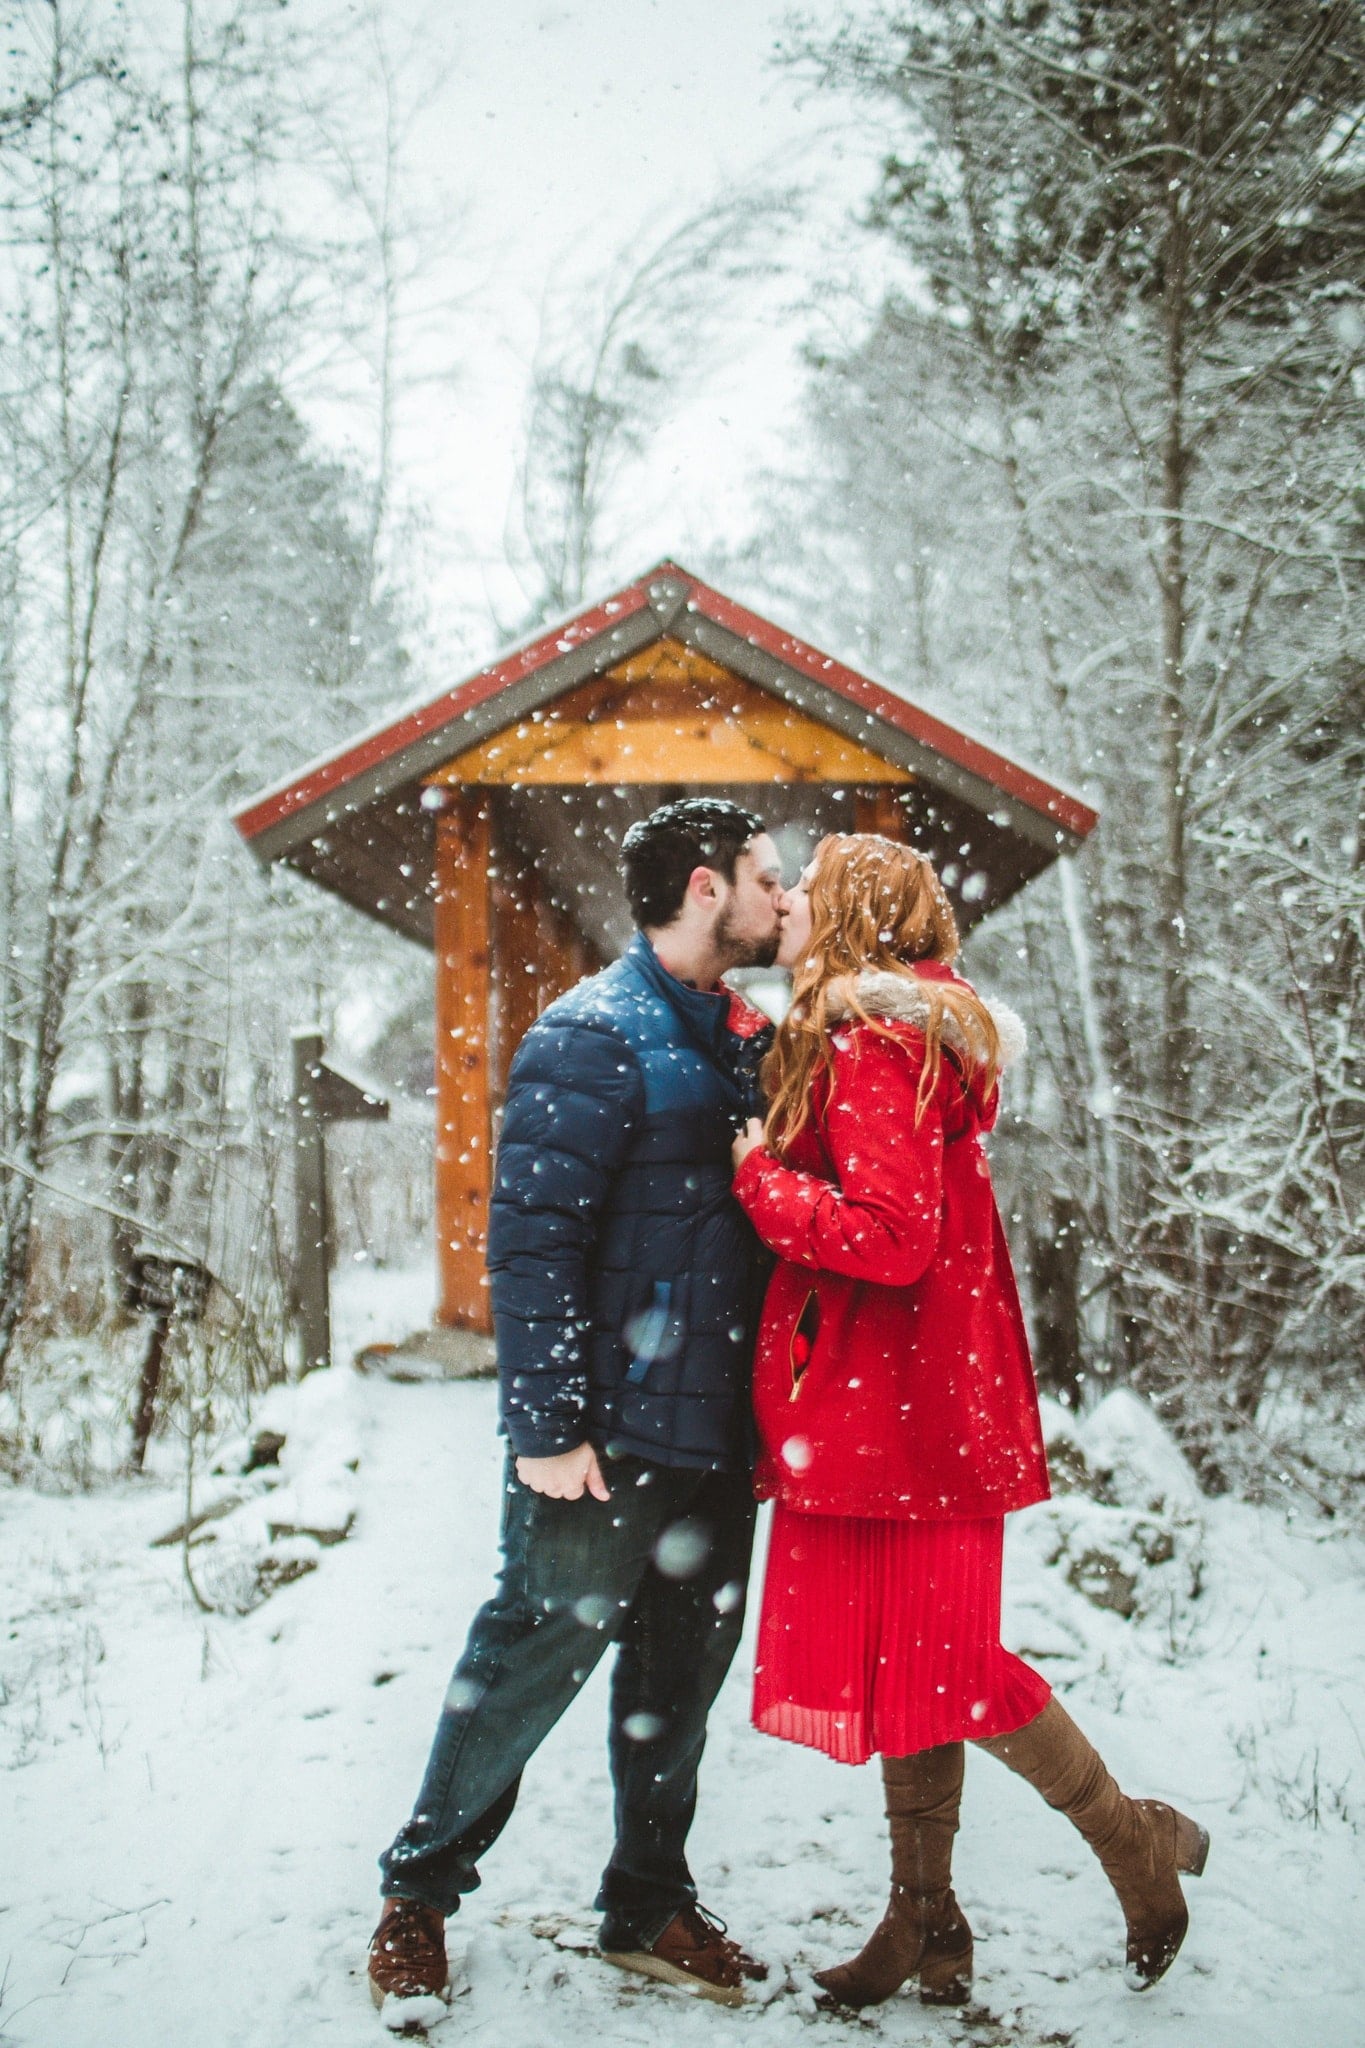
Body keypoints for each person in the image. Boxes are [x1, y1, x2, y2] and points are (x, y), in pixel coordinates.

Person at [730, 833, 1209, 2010]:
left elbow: (895, 1237)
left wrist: (762, 1180)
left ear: (852, 914)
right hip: (920, 1394)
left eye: (807, 889)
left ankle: (1132, 1838)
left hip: (901, 1403)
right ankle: (927, 1918)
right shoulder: (898, 1030)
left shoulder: (873, 1042)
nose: (787, 903)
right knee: (912, 1664)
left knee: (944, 1665)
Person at [368, 797, 789, 2023]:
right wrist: (548, 1427)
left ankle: (648, 1901)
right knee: (527, 1659)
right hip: (605, 1442)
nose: (784, 898)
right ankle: (417, 1894)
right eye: (768, 877)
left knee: (679, 1680)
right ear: (706, 886)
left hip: (717, 1434)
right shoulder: (591, 1033)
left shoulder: (747, 1038)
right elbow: (531, 1243)